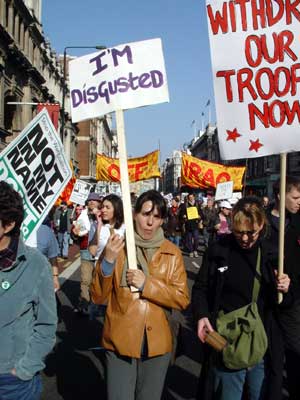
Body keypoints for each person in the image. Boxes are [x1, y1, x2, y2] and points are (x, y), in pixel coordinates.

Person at [90, 190, 189, 400]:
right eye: (145, 214)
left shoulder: (172, 253)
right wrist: (107, 262)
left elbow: (182, 297)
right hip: (119, 340)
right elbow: (97, 296)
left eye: (156, 217)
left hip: (157, 343)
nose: (150, 222)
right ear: (134, 214)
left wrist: (147, 285)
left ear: (163, 220)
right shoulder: (118, 247)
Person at [192, 196, 290, 400]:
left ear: (261, 225)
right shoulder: (219, 250)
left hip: (261, 344)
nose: (244, 238)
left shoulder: (273, 254)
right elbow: (201, 288)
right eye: (239, 232)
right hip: (226, 341)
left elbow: (285, 304)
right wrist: (201, 315)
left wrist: (286, 288)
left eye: (250, 232)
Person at [0, 181, 57, 399]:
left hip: (12, 382)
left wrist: (23, 370)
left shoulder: (35, 264)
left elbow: (46, 325)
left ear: (9, 224)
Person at [267, 176, 300, 400]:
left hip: (294, 302)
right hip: (268, 304)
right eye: (296, 197)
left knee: (296, 359)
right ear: (280, 195)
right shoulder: (262, 224)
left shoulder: (297, 222)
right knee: (273, 366)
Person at [72, 193, 102, 315]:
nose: (91, 202)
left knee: (99, 281)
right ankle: (84, 305)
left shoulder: (103, 215)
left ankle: (97, 305)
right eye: (89, 200)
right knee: (85, 280)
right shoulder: (82, 216)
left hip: (100, 252)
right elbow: (74, 233)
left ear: (99, 202)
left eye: (94, 200)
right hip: (85, 250)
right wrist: (75, 233)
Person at [89, 193, 125, 261]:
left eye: (107, 207)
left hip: (119, 268)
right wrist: (99, 226)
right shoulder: (95, 225)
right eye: (102, 207)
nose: (103, 210)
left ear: (116, 209)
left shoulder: (125, 227)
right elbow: (92, 252)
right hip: (100, 268)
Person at [179, 193, 204, 258]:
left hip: (195, 224)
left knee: (196, 238)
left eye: (192, 197)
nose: (191, 198)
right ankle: (191, 251)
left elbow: (201, 213)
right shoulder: (185, 205)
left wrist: (200, 216)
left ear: (194, 197)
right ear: (188, 198)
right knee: (189, 239)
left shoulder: (197, 204)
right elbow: (181, 213)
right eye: (189, 197)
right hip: (188, 224)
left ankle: (195, 250)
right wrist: (183, 216)